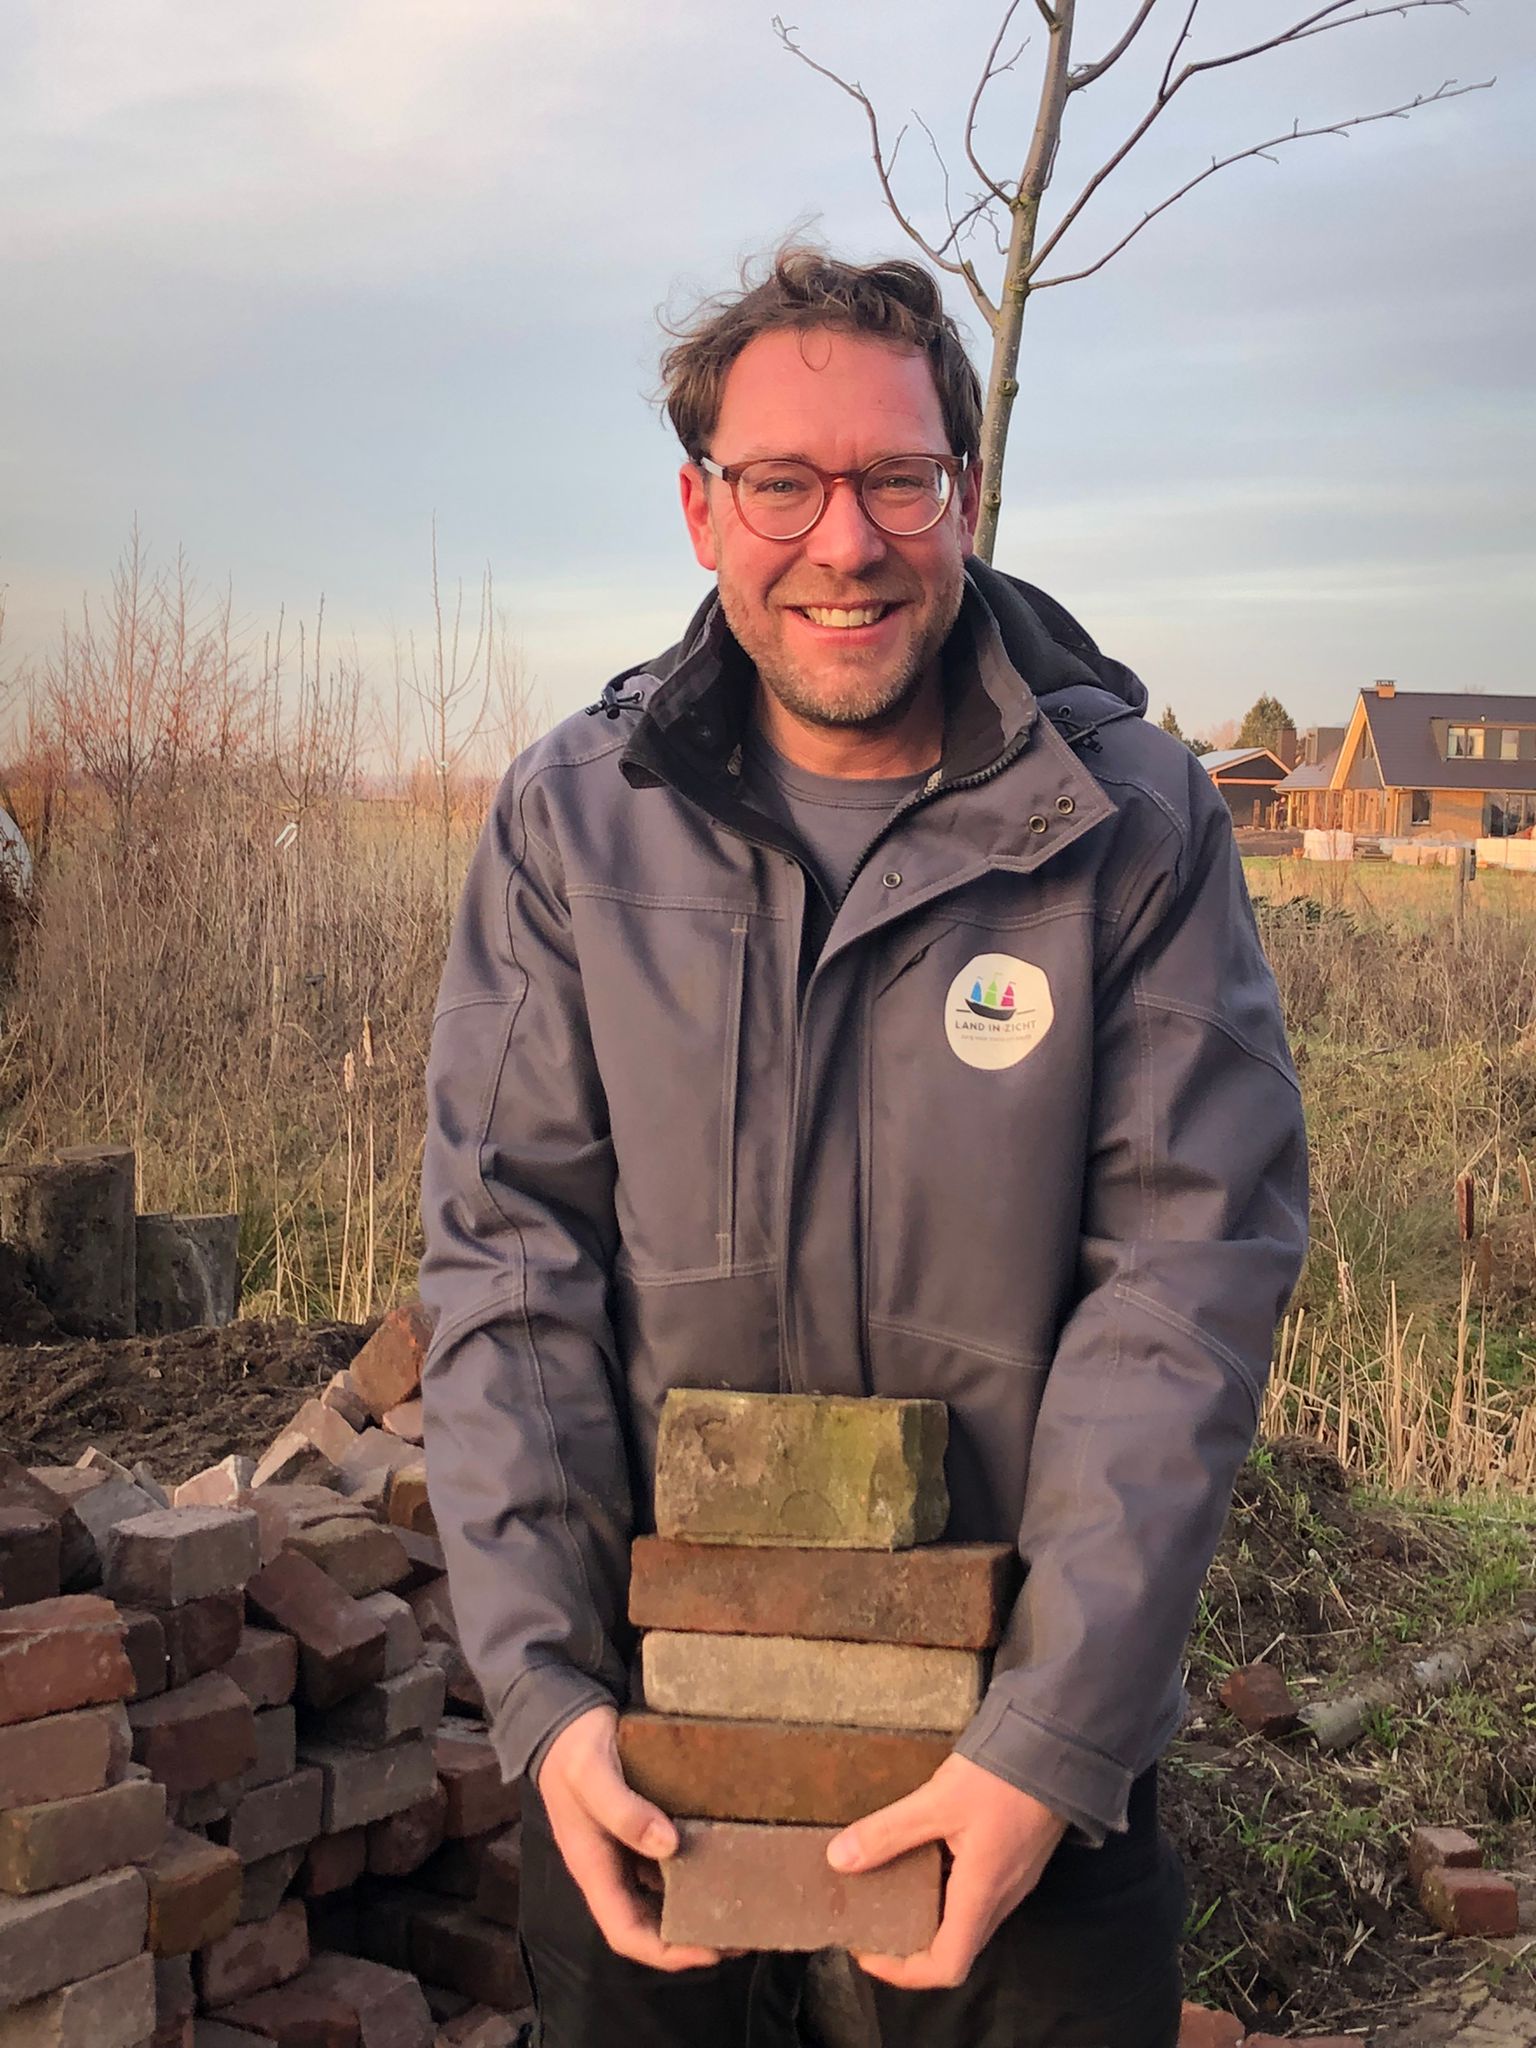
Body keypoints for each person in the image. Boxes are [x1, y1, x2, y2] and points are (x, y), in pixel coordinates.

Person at [418, 247, 1308, 2048]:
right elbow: (508, 1267)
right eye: (783, 484)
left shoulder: (1127, 827)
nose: (845, 541)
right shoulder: (572, 824)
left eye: (897, 478)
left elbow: (1183, 1285)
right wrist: (547, 1700)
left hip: (1023, 1788)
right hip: (653, 1764)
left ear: (961, 498)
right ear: (700, 509)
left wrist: (1049, 1746)